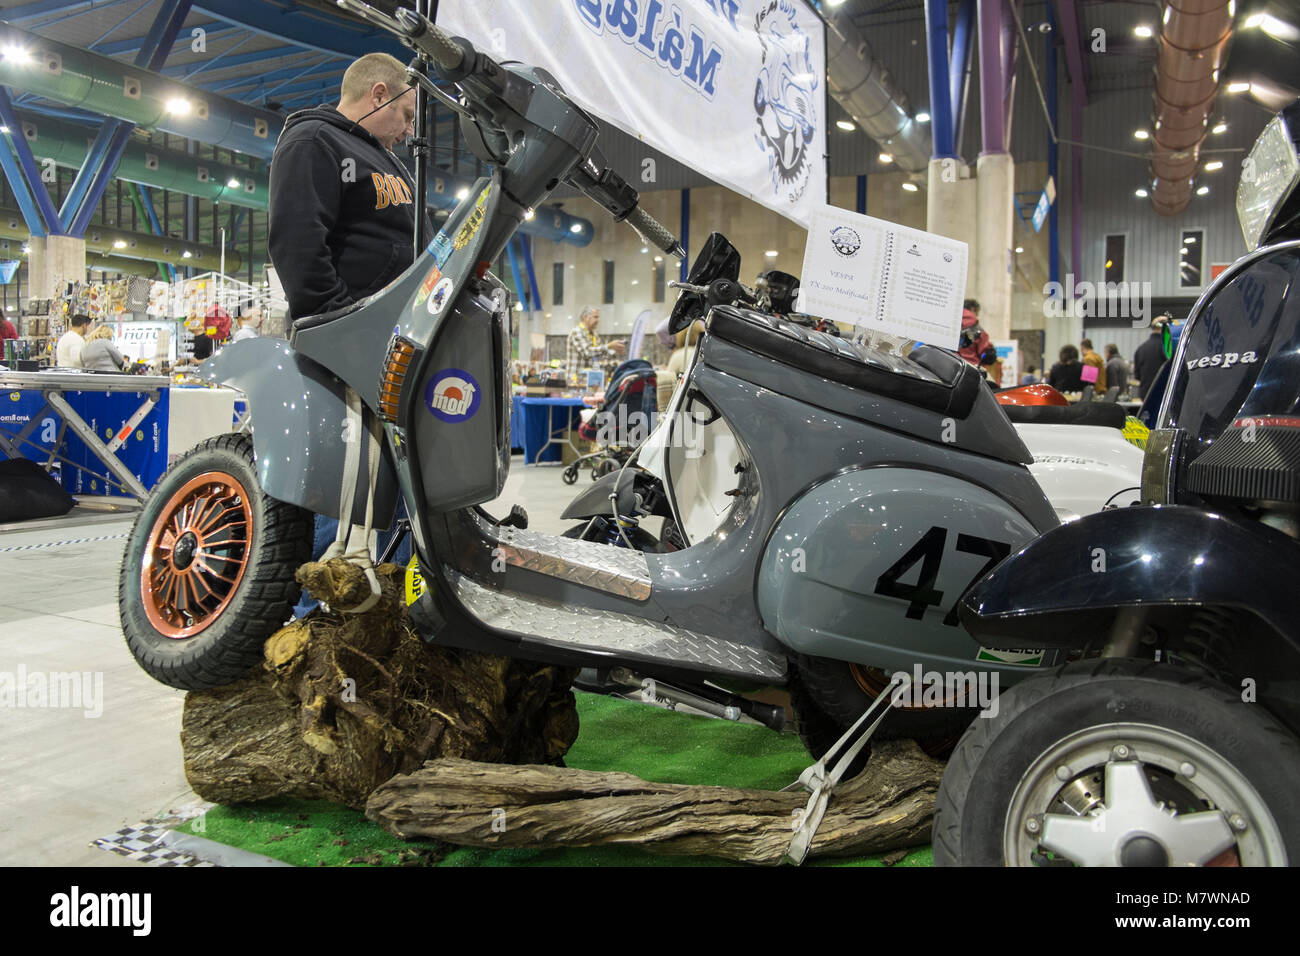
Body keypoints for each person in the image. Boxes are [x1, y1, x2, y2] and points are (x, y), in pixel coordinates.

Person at [268, 52, 429, 319]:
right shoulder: (313, 140)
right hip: (349, 333)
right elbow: (296, 244)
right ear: (379, 96)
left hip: (392, 324)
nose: (410, 129)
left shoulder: (383, 157)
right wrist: (337, 318)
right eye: (407, 115)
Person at [566, 306, 624, 385]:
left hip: (589, 381)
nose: (598, 320)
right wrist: (609, 346)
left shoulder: (594, 335)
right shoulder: (576, 332)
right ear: (585, 317)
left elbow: (601, 355)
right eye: (595, 317)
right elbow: (588, 352)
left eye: (598, 317)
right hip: (575, 382)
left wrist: (614, 349)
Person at [658, 319, 704, 412]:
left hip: (682, 406)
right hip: (703, 404)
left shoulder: (678, 355)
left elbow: (669, 379)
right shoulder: (706, 353)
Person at [1132, 314, 1170, 399]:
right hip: (1164, 394)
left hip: (1145, 395)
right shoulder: (1168, 348)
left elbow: (1137, 376)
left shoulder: (1140, 349)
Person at [958, 298, 991, 367]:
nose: (977, 316)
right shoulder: (977, 329)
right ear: (973, 309)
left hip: (948, 367)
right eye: (977, 313)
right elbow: (985, 354)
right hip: (970, 369)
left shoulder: (950, 323)